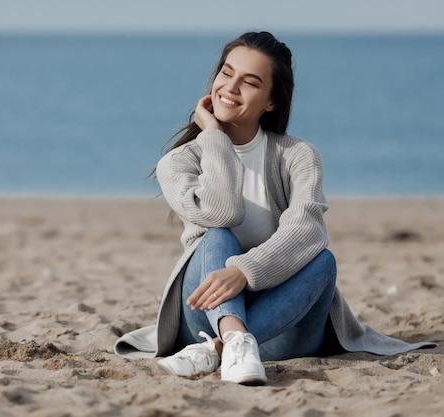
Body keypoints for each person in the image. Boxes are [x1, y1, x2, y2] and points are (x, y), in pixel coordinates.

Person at [113, 31, 435, 385]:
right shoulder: (178, 163)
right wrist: (215, 139)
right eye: (226, 73)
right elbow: (223, 214)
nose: (231, 87)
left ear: (271, 102)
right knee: (217, 236)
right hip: (204, 320)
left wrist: (244, 272)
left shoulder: (298, 156)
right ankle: (232, 338)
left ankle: (221, 349)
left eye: (249, 82)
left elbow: (307, 231)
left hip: (285, 327)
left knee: (323, 261)